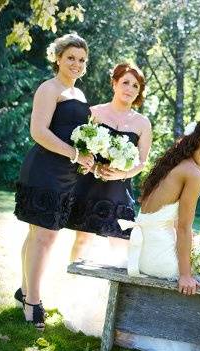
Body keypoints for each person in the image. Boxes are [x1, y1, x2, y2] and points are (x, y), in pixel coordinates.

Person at [62, 119, 200, 351]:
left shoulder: (176, 164)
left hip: (144, 248)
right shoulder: (193, 173)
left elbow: (169, 222)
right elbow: (183, 227)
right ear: (195, 142)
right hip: (156, 255)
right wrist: (184, 274)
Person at [13, 33, 94, 330]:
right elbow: (39, 132)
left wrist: (85, 158)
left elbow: (77, 135)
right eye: (71, 57)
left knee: (39, 235)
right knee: (44, 237)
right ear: (58, 58)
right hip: (45, 168)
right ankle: (33, 301)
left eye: (82, 60)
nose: (76, 64)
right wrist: (74, 153)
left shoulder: (80, 95)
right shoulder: (50, 88)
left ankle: (24, 291)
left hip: (67, 174)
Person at [65, 63, 152, 263]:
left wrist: (121, 174)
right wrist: (94, 167)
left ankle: (116, 292)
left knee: (121, 243)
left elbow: (142, 162)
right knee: (82, 239)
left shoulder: (142, 123)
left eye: (135, 86)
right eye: (125, 83)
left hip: (119, 189)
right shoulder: (94, 112)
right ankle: (70, 282)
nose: (130, 89)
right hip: (89, 184)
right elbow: (80, 147)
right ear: (114, 83)